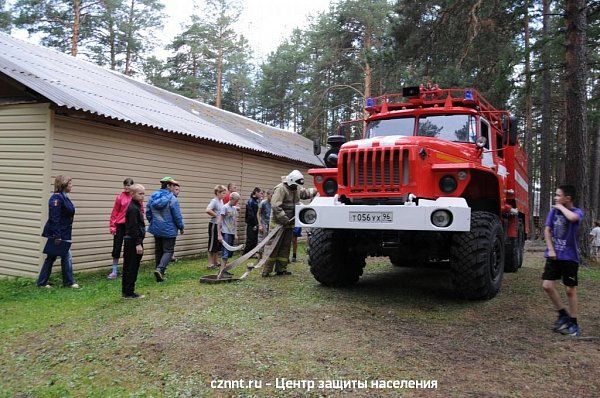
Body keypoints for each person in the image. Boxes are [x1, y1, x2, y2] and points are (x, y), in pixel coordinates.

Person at [542, 184, 584, 337]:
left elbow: (572, 218)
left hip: (570, 257)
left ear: (568, 198)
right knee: (547, 285)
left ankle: (573, 322)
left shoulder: (577, 212)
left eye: (558, 195)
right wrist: (550, 248)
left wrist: (561, 207)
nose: (555, 198)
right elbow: (547, 230)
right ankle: (563, 314)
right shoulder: (554, 212)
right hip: (554, 256)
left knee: (570, 290)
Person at [262, 170, 316, 277]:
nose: (296, 188)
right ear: (290, 181)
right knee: (273, 247)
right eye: (295, 185)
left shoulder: (294, 188)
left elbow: (304, 193)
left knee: (285, 247)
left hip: (289, 224)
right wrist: (284, 219)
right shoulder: (281, 189)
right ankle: (267, 270)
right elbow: (275, 206)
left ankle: (281, 269)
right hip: (278, 224)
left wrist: (318, 190)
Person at [36, 175, 79, 289]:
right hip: (58, 234)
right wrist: (57, 236)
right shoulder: (56, 198)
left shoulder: (64, 197)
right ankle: (68, 282)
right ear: (63, 185)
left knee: (53, 257)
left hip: (64, 232)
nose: (71, 186)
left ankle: (42, 282)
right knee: (64, 256)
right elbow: (54, 218)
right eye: (70, 184)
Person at [146, 177, 184, 282]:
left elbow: (148, 212)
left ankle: (159, 272)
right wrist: (181, 227)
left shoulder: (153, 196)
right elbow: (177, 216)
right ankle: (160, 269)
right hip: (169, 229)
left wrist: (152, 222)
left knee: (158, 250)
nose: (174, 187)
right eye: (173, 185)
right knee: (168, 250)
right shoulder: (172, 199)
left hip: (156, 228)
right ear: (168, 186)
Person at [108, 178, 135, 279]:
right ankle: (114, 271)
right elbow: (115, 212)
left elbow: (140, 210)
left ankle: (127, 270)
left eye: (129, 185)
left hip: (130, 226)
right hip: (120, 225)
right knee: (117, 247)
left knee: (129, 249)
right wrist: (112, 226)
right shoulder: (119, 197)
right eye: (125, 185)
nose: (127, 187)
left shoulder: (135, 197)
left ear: (133, 186)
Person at [122, 184, 146, 299]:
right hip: (132, 242)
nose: (142, 196)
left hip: (133, 240)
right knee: (131, 266)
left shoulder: (136, 206)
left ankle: (126, 291)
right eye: (140, 194)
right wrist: (138, 244)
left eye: (143, 194)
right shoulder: (133, 208)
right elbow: (133, 227)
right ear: (132, 194)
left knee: (130, 266)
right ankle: (129, 292)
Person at [217, 192, 240, 277]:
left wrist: (236, 233)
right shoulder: (225, 208)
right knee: (225, 253)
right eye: (236, 201)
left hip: (231, 233)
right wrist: (219, 234)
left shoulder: (234, 208)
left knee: (229, 253)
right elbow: (219, 221)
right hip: (225, 232)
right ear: (231, 198)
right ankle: (221, 272)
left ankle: (224, 270)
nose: (236, 203)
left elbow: (234, 221)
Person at [206, 184, 227, 269]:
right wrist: (217, 216)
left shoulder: (221, 201)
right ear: (218, 192)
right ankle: (210, 263)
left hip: (219, 226)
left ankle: (215, 261)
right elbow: (207, 210)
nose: (224, 195)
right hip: (213, 225)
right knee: (212, 245)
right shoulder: (214, 201)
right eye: (223, 193)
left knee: (217, 244)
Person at [243, 187, 261, 255]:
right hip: (251, 224)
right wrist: (254, 224)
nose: (260, 194)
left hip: (255, 223)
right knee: (250, 239)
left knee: (255, 239)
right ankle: (246, 253)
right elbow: (251, 215)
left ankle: (252, 253)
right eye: (259, 193)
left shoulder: (256, 201)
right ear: (256, 192)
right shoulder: (251, 201)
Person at [257, 189, 272, 260]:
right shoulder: (263, 203)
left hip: (271, 225)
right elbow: (258, 214)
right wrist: (260, 224)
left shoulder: (274, 203)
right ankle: (259, 258)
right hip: (263, 225)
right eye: (271, 196)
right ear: (267, 195)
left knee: (269, 242)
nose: (272, 197)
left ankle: (266, 258)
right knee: (261, 241)